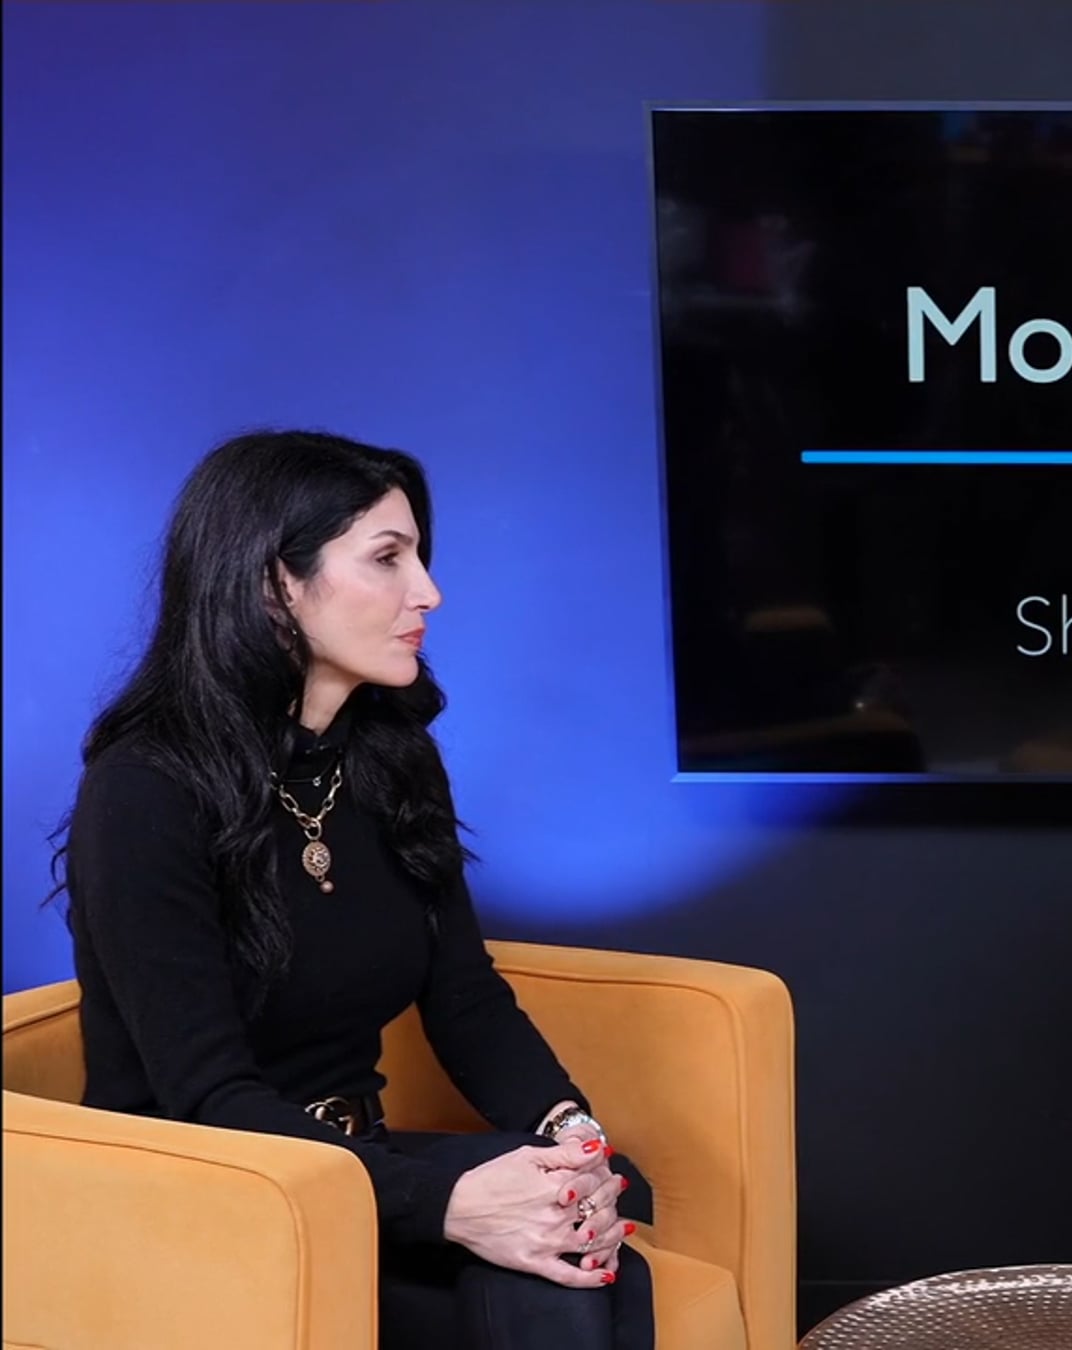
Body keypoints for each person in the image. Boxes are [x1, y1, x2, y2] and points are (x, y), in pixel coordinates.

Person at [49, 430, 656, 1349]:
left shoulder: (390, 760)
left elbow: (465, 998)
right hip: (205, 1194)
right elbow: (207, 1096)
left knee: (586, 1228)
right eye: (387, 558)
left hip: (356, 1168)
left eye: (420, 557)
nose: (429, 592)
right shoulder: (145, 789)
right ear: (275, 583)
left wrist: (572, 1135)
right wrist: (446, 1202)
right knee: (561, 1280)